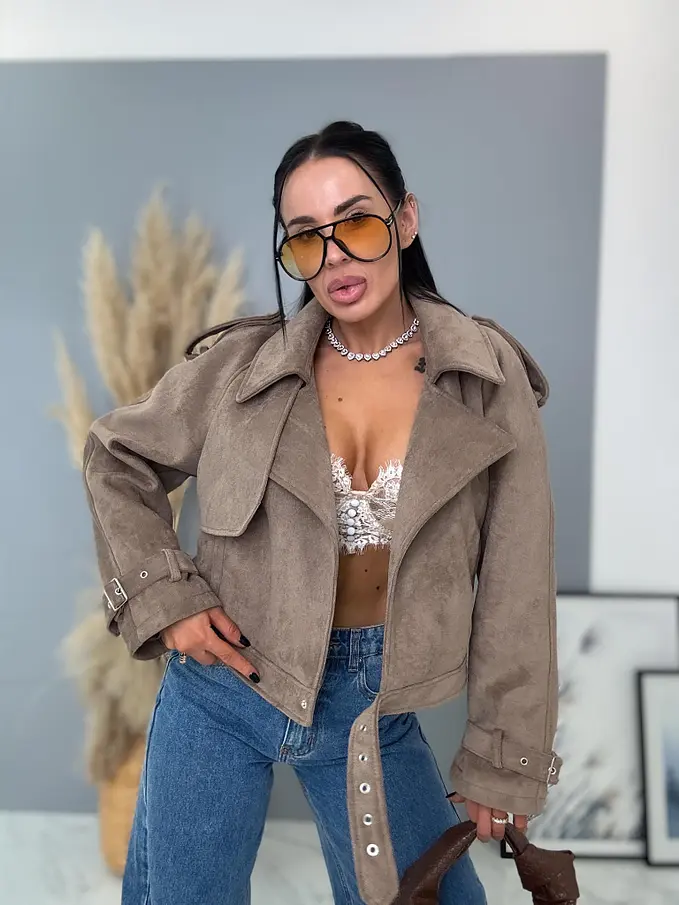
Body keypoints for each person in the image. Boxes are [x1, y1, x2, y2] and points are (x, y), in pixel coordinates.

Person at [83, 121, 561, 905]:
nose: (333, 256)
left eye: (357, 222)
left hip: (370, 702)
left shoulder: (484, 374)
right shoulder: (239, 369)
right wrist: (167, 599)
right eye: (305, 237)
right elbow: (115, 454)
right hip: (220, 686)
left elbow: (518, 577)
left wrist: (502, 756)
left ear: (405, 218)